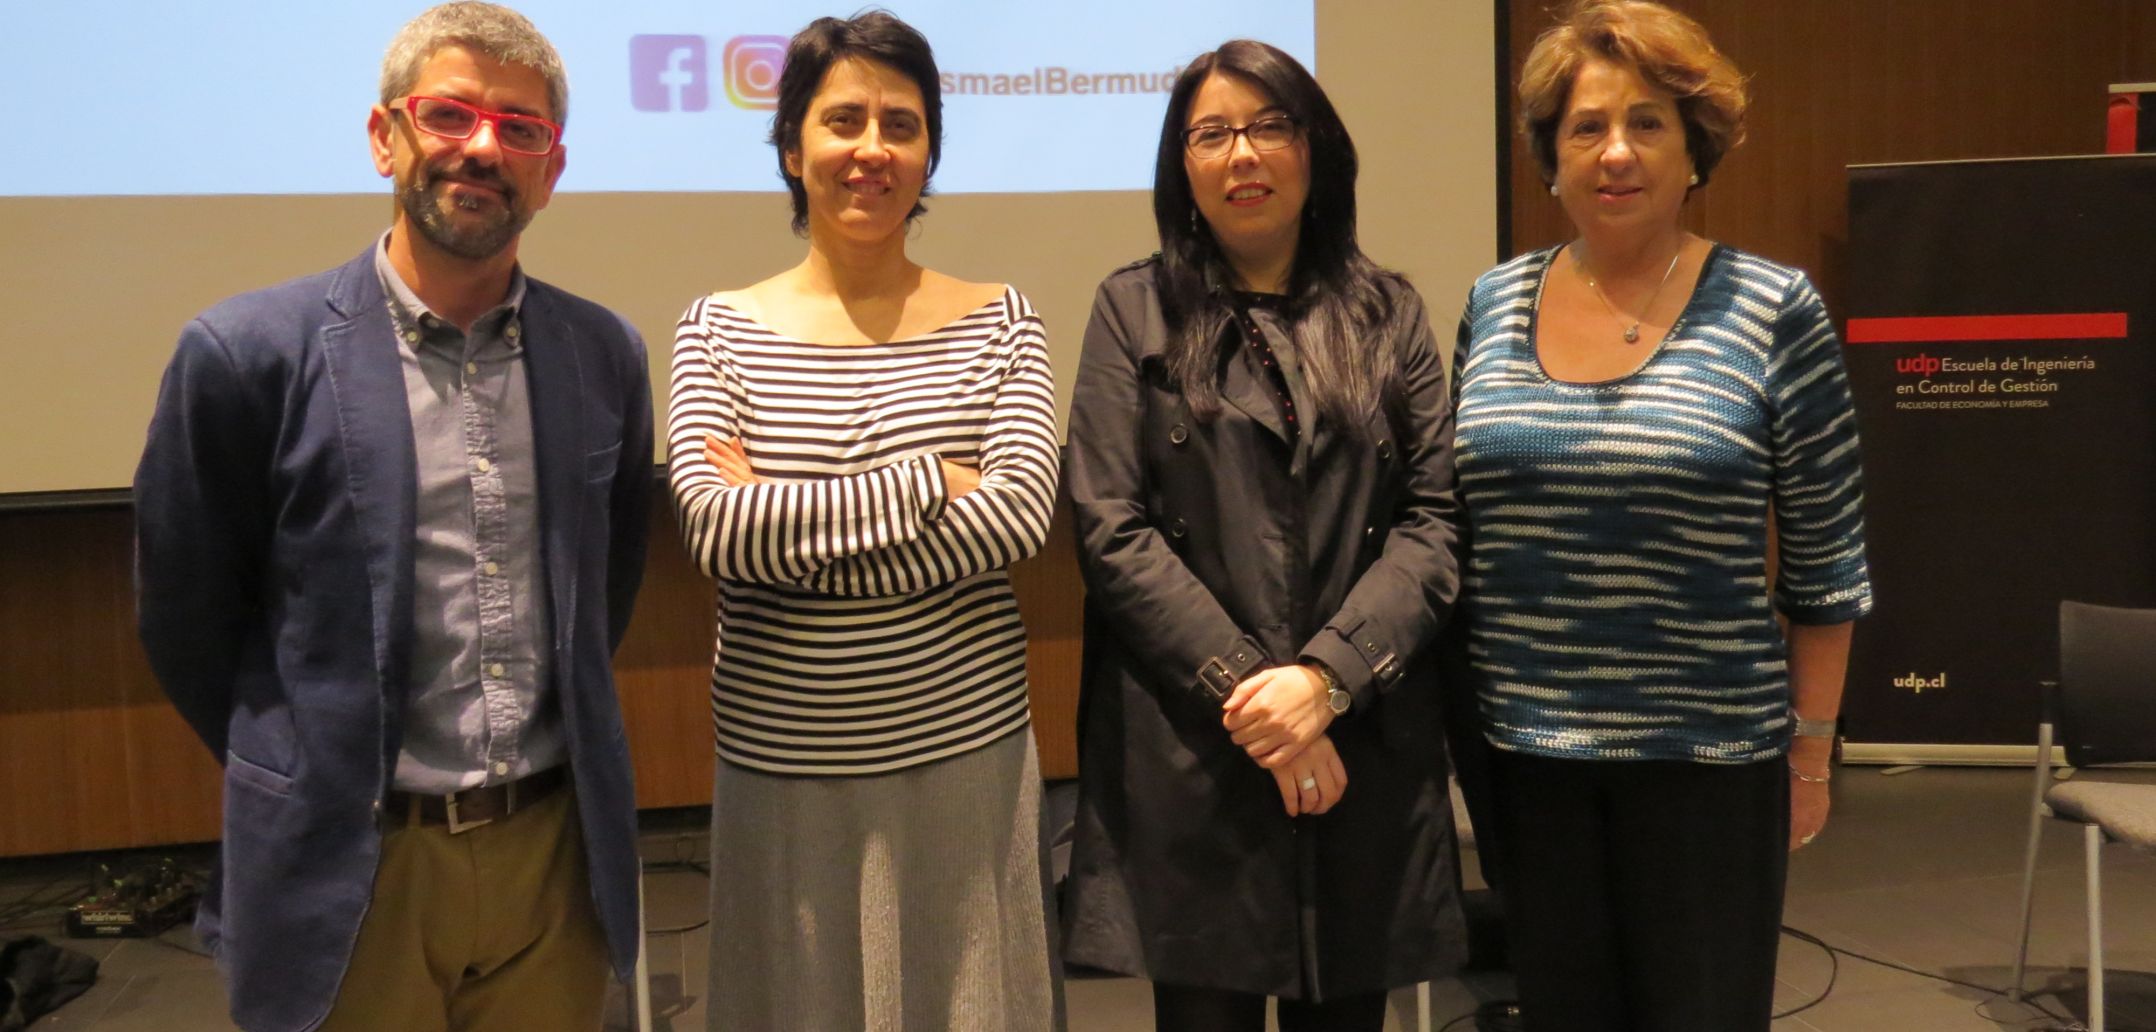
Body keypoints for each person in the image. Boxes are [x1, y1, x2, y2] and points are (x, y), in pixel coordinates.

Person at [132, 4, 653, 1030]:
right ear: (385, 137)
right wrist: (300, 761)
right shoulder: (245, 354)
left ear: (551, 169)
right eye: (449, 115)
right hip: (352, 863)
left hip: (551, 859)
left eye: (519, 129)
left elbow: (607, 592)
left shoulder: (603, 354)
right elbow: (185, 620)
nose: (483, 149)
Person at [1452, 2, 1874, 1029]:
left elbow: (1826, 564)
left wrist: (1810, 754)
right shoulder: (1492, 303)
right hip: (1527, 763)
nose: (1615, 152)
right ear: (1549, 157)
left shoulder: (1772, 308)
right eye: (1585, 127)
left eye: (1646, 123)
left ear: (1694, 148)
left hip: (1708, 769)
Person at [665, 12, 1061, 1031]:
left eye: (902, 124)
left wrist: (786, 531)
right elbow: (718, 534)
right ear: (791, 148)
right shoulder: (717, 329)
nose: (872, 149)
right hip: (783, 771)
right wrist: (932, 480)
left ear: (930, 153)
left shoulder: (1002, 318)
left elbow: (1020, 515)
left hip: (964, 759)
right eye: (842, 120)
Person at [1062, 39, 1467, 1032]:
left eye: (1268, 126)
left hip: (1358, 741)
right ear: (1183, 166)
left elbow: (1434, 521)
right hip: (1196, 750)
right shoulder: (1132, 309)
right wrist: (1258, 702)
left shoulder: (1388, 314)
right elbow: (1111, 526)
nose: (1241, 154)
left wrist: (1324, 683)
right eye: (1212, 134)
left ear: (1315, 147)